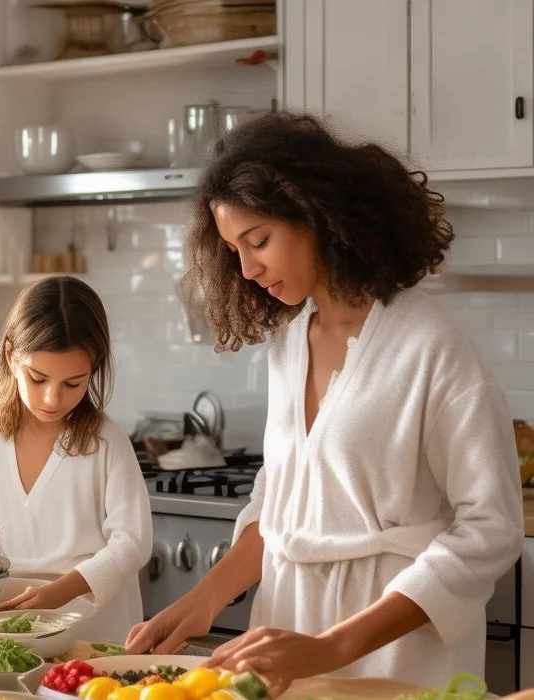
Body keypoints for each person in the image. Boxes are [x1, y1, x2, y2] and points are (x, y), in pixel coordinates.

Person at [124, 112, 523, 691]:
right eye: (234, 249)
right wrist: (205, 599)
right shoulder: (289, 341)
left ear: (317, 214)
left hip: (392, 649)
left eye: (258, 240)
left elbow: (490, 530)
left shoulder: (432, 346)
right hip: (288, 629)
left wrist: (334, 647)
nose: (247, 267)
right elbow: (281, 503)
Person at [0, 276, 152, 643]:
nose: (52, 398)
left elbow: (132, 542)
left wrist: (63, 591)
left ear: (94, 369)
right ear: (10, 356)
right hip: (14, 625)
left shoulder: (107, 443)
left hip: (95, 631)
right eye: (38, 378)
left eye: (73, 383)